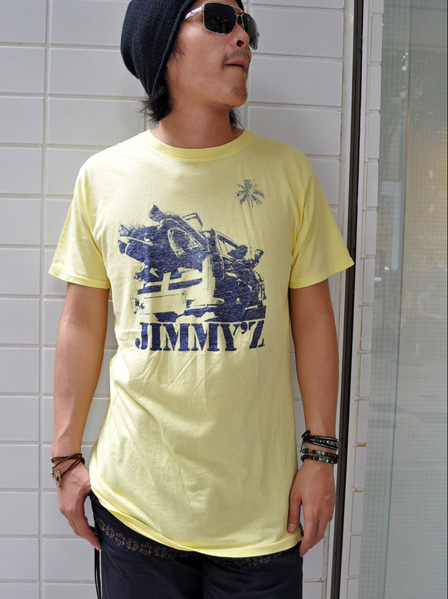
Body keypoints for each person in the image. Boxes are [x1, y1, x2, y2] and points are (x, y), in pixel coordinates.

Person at [49, 1, 354, 597]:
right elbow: (81, 322)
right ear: (163, 44)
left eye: (246, 25)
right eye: (218, 19)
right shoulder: (103, 178)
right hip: (134, 508)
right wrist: (65, 458)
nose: (242, 36)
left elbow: (315, 319)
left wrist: (321, 456)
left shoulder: (286, 172)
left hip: (263, 514)